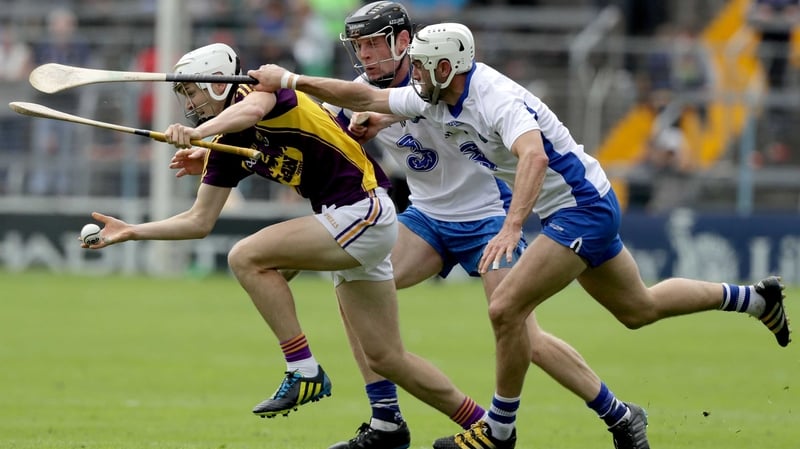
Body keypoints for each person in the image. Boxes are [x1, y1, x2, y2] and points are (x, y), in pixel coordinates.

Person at [247, 22, 791, 449]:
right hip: (480, 217)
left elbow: (532, 156)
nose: (413, 73)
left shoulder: (495, 97)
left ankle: (498, 431)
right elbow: (367, 101)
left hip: (573, 210)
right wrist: (292, 83)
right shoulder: (432, 90)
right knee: (638, 308)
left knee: (509, 316)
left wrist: (511, 227)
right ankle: (754, 299)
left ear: (444, 64)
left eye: (422, 65)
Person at [171, 5, 652, 449]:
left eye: (375, 45)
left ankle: (618, 414)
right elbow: (307, 138)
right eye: (358, 47)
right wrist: (219, 151)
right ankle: (386, 421)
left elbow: (436, 112)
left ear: (405, 42)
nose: (366, 56)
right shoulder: (359, 93)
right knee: (353, 283)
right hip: (425, 220)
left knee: (523, 333)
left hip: (486, 216)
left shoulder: (438, 78)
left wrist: (371, 112)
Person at [80, 42, 490, 431]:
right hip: (351, 223)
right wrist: (132, 231)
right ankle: (481, 426)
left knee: (246, 257)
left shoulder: (261, 92)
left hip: (363, 210)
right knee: (387, 358)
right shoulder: (227, 141)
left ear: (219, 83)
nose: (190, 104)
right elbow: (198, 221)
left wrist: (205, 134)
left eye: (193, 92)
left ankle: (303, 369)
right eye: (184, 96)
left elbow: (248, 113)